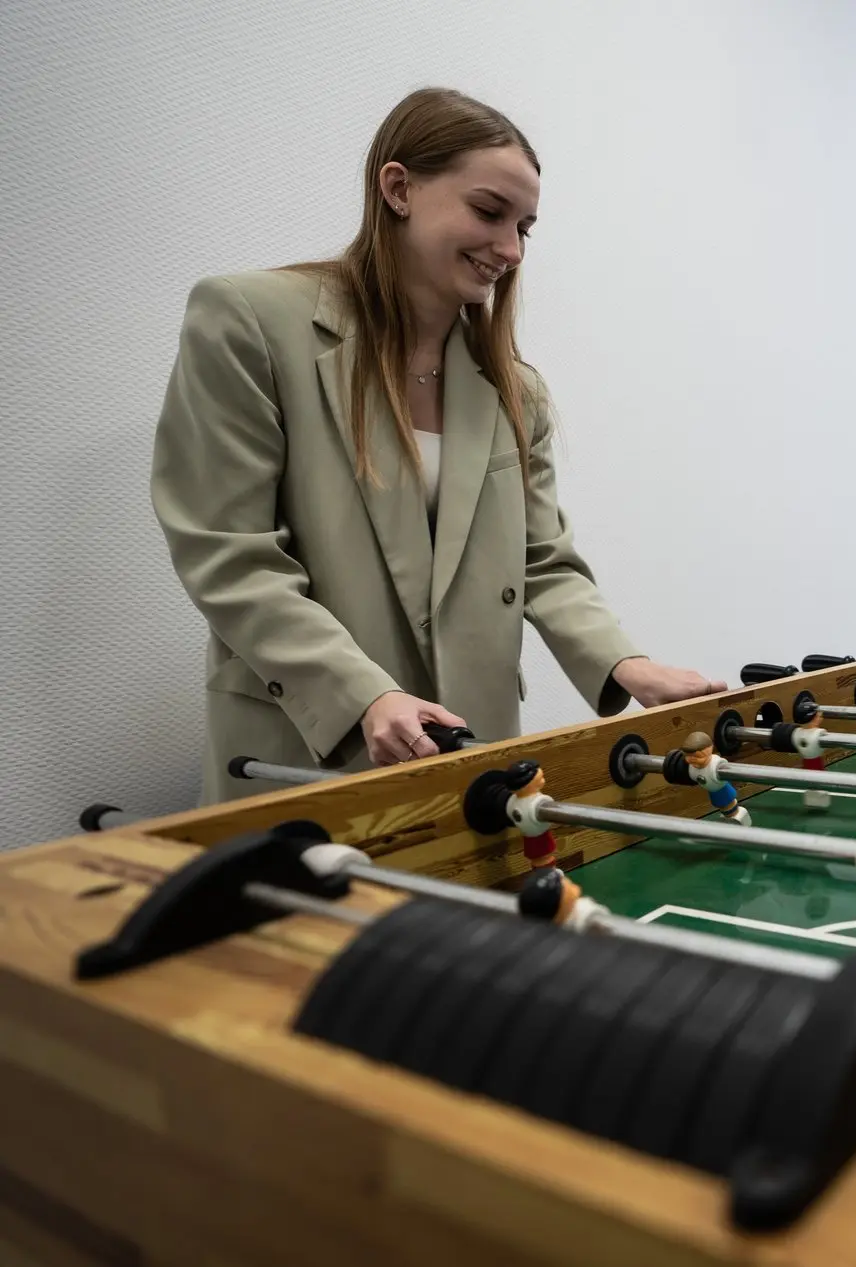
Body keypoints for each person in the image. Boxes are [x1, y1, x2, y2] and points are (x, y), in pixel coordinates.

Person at [151, 88, 724, 803]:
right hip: (311, 741)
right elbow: (228, 555)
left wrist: (628, 664)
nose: (510, 250)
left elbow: (541, 559)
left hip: (473, 744)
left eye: (525, 227)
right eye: (489, 212)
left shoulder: (516, 388)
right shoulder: (249, 322)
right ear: (398, 188)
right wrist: (364, 694)